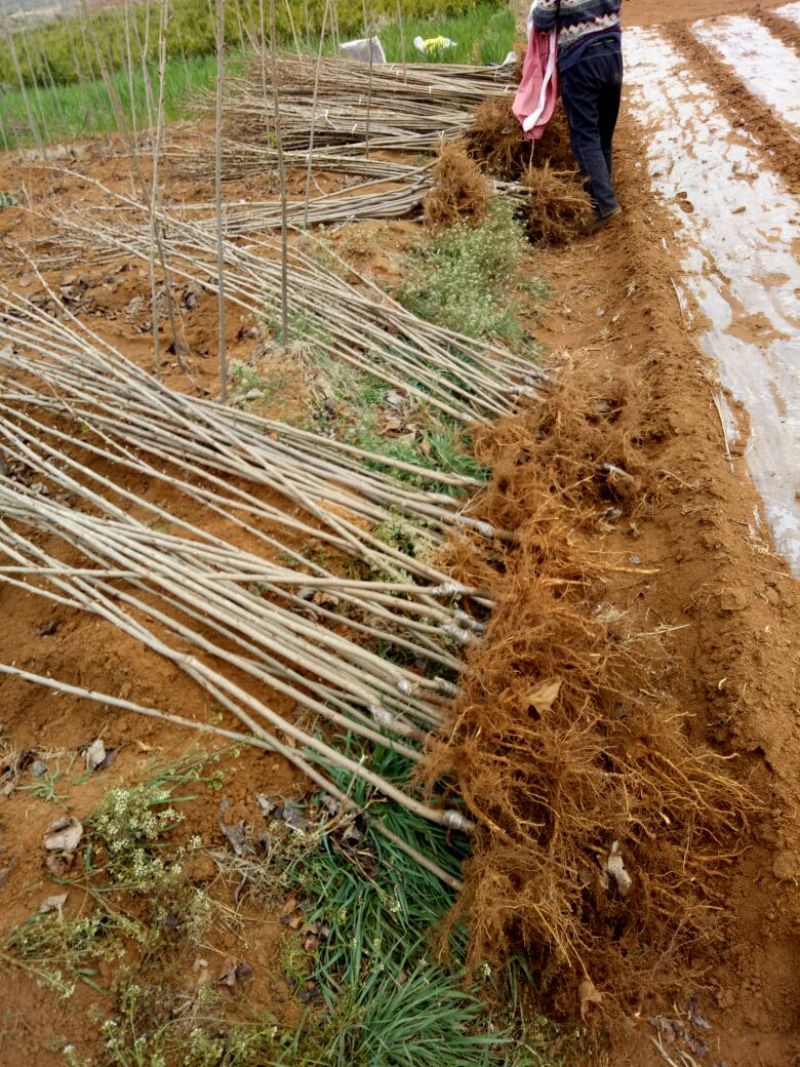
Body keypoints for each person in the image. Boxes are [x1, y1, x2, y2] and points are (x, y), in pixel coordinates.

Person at [532, 0, 623, 225]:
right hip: (613, 53)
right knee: (603, 133)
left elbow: (542, 20)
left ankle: (607, 205)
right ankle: (603, 199)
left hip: (581, 59)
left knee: (585, 136)